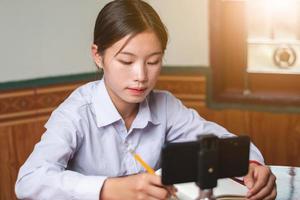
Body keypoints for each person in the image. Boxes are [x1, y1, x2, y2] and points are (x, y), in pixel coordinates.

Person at [15, 0, 276, 199]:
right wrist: (108, 188)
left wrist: (251, 165)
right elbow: (29, 181)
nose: (141, 76)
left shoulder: (165, 106)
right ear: (98, 55)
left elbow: (224, 144)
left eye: (153, 61)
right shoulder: (76, 113)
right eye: (126, 61)